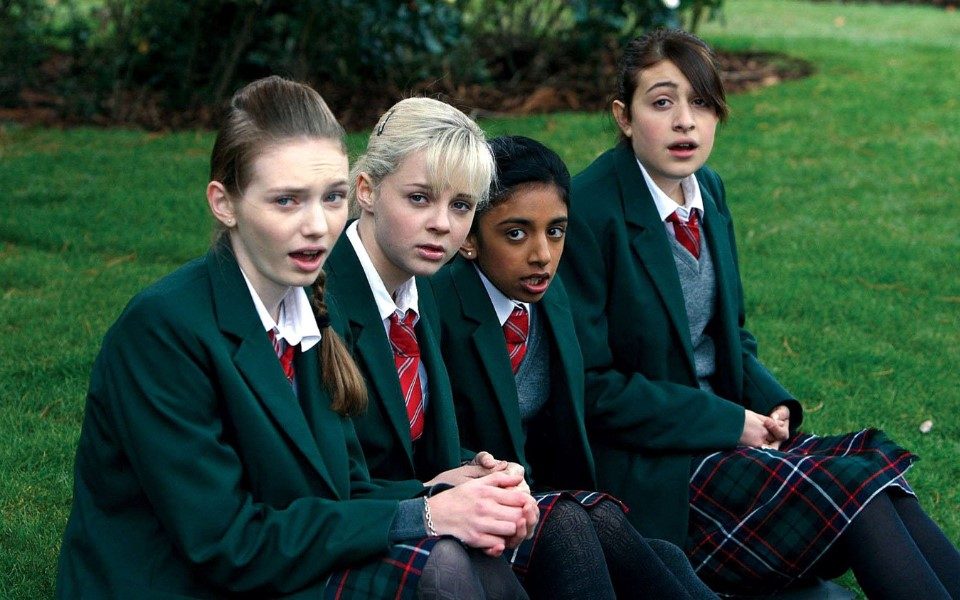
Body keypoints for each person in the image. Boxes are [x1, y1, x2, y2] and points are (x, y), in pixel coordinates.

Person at [56, 76, 531, 599]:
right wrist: (422, 515)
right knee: (443, 567)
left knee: (478, 556)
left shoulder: (304, 307)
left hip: (283, 562)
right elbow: (225, 543)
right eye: (286, 201)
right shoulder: (163, 329)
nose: (317, 226)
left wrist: (448, 489)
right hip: (192, 582)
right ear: (225, 203)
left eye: (331, 198)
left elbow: (340, 490)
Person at [557, 28, 960, 599]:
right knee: (858, 491)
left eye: (700, 103)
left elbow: (731, 338)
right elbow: (594, 389)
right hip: (655, 476)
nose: (685, 123)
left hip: (725, 441)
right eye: (662, 102)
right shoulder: (591, 211)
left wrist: (770, 405)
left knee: (878, 475)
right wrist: (730, 423)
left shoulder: (709, 191)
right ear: (624, 116)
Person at [431, 134, 719, 599]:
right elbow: (427, 440)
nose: (542, 254)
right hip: (469, 511)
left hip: (538, 500)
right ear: (468, 239)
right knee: (581, 524)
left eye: (557, 230)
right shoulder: (440, 306)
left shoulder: (547, 297)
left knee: (658, 552)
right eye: (516, 233)